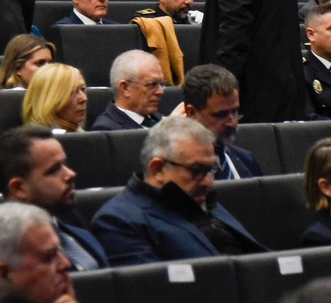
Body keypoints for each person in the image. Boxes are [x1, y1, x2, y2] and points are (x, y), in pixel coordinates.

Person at [90, 117, 265, 265]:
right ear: (158, 169)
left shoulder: (203, 200)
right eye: (196, 171)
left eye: (210, 171)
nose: (208, 182)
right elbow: (156, 294)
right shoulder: (118, 221)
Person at [0, 125, 110, 271]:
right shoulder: (6, 256)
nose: (70, 174)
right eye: (53, 170)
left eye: (64, 165)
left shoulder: (82, 236)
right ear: (19, 188)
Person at [180, 64, 262, 181]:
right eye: (221, 115)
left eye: (234, 112)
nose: (232, 123)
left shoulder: (246, 160)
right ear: (192, 113)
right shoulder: (174, 169)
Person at [90, 50, 165, 131]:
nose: (160, 91)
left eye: (161, 84)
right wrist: (167, 131)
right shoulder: (106, 129)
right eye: (152, 84)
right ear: (125, 88)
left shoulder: (159, 119)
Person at [22, 63, 89, 132]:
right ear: (49, 99)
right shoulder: (29, 141)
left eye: (83, 89)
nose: (84, 98)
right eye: (71, 92)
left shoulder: (86, 138)